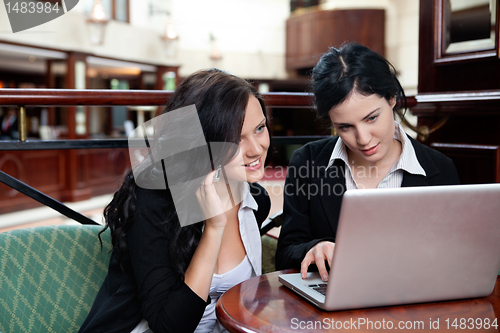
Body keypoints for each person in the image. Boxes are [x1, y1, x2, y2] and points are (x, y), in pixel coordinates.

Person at [79, 69, 271, 333]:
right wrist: (214, 228)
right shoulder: (155, 203)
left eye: (259, 128)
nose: (256, 148)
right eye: (235, 139)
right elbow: (169, 327)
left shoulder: (257, 201)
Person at [275, 43, 460, 281]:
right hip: (334, 307)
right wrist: (313, 248)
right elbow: (285, 253)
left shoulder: (440, 169)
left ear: (392, 98)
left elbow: (452, 257)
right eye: (345, 127)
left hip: (414, 302)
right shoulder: (307, 163)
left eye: (371, 118)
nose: (363, 139)